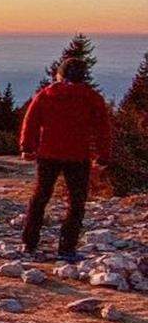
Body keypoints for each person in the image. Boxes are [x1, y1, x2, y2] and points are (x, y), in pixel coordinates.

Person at [19, 57, 112, 262]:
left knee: (40, 197)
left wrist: (27, 147)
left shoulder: (46, 95)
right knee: (76, 202)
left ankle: (29, 242)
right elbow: (102, 130)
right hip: (78, 156)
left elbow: (31, 122)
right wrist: (103, 156)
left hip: (48, 154)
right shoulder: (92, 98)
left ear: (60, 74)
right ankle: (67, 248)